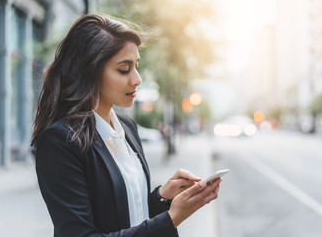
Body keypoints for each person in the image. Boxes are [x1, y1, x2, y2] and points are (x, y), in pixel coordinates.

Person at [31, 13, 222, 237]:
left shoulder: (127, 128)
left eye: (136, 66)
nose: (137, 78)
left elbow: (130, 215)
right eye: (124, 69)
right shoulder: (60, 141)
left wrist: (163, 196)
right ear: (90, 71)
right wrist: (173, 218)